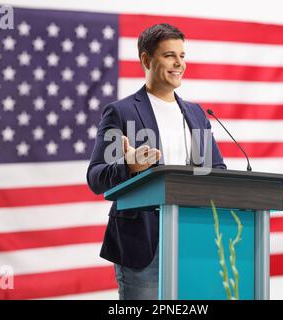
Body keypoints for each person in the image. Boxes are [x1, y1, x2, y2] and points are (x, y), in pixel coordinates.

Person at [86, 23, 226, 300]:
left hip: (191, 238)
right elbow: (96, 178)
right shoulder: (121, 112)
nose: (179, 63)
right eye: (170, 55)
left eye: (182, 56)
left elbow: (217, 169)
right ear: (146, 60)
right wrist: (129, 166)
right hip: (142, 242)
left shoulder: (197, 114)